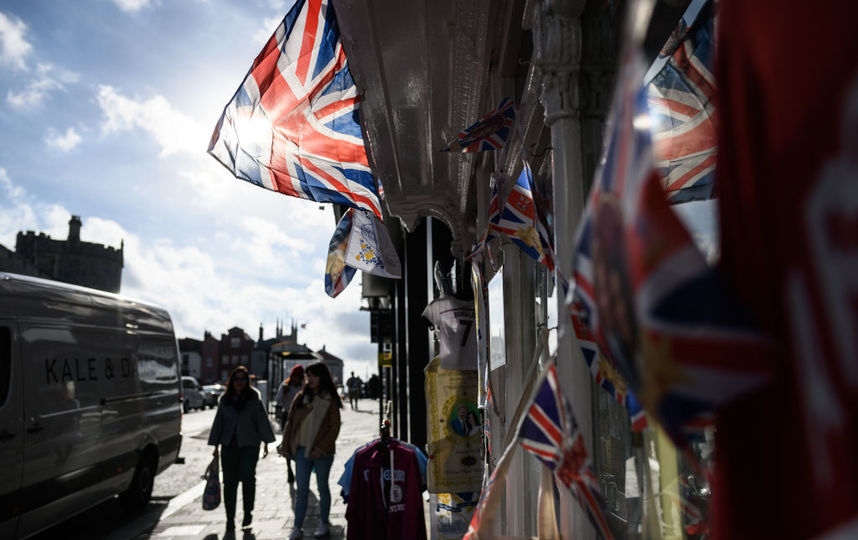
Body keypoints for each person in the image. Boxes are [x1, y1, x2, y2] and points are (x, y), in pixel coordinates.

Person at [208, 365, 276, 531]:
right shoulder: (225, 400)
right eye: (236, 379)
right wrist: (215, 445)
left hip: (250, 445)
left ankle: (247, 512)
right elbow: (219, 423)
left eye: (243, 379)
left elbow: (261, 421)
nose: (239, 382)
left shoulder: (254, 398)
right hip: (228, 445)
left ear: (247, 381)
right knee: (229, 483)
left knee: (247, 477)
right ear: (232, 381)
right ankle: (230, 518)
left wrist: (266, 442)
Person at [281, 362, 343, 539]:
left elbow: (334, 427)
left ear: (322, 377)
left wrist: (321, 448)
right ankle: (297, 527)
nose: (311, 379)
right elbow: (290, 424)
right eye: (308, 376)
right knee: (301, 491)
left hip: (322, 452)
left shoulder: (329, 399)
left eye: (314, 375)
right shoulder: (301, 398)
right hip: (301, 451)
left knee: (323, 488)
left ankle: (324, 523)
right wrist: (286, 447)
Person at [275, 364, 305, 485]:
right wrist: (285, 392)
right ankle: (289, 469)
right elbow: (278, 400)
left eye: (299, 376)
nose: (297, 379)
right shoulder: (285, 385)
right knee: (287, 442)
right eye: (295, 376)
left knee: (298, 444)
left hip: (301, 417)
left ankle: (300, 469)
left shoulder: (303, 385)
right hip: (287, 416)